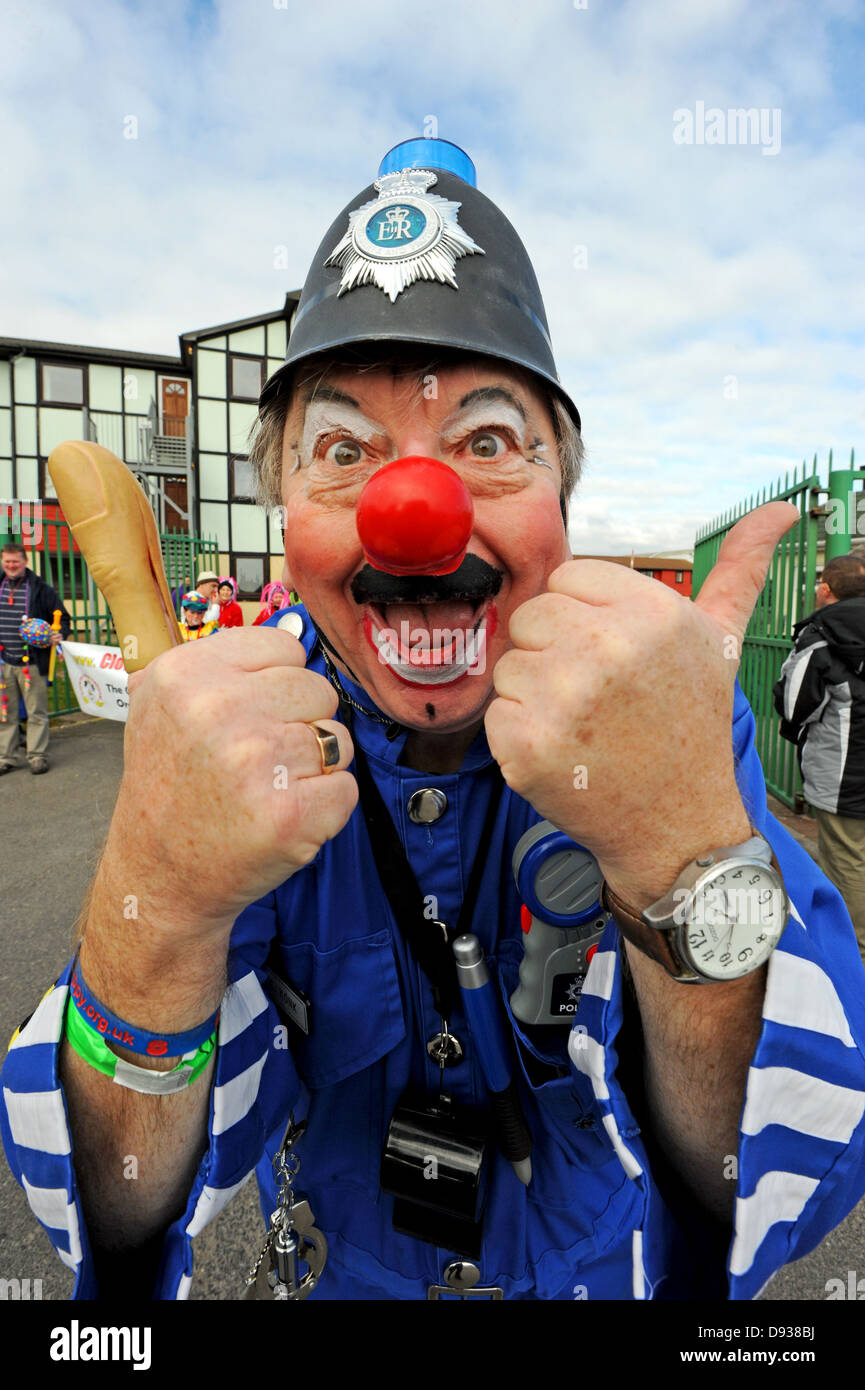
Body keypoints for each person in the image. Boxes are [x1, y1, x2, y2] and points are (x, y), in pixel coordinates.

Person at [4, 138, 865, 1304]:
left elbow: (784, 1180)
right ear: (283, 508)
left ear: (563, 497)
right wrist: (152, 901)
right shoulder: (237, 748)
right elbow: (105, 1208)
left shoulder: (666, 729)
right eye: (346, 451)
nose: (419, 510)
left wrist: (681, 850)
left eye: (489, 444)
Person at [773, 552, 865, 957]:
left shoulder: (821, 636)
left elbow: (795, 705)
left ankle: (852, 953)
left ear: (826, 588)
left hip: (846, 774)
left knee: (847, 861)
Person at [0, 541, 71, 775]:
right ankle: (6, 757)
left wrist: (59, 634)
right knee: (5, 713)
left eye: (15, 561)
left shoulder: (40, 588)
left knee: (36, 712)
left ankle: (37, 755)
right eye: (7, 561)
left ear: (24, 562)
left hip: (31, 664)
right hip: (3, 663)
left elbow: (64, 619)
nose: (11, 565)